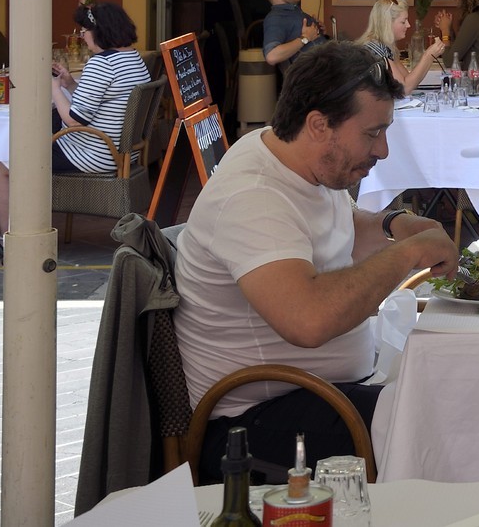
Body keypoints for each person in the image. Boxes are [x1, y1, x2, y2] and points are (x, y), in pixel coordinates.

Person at [174, 42, 458, 482]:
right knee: (452, 428)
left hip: (323, 395)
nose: (382, 150)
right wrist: (408, 253)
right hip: (255, 426)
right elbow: (309, 320)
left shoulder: (299, 161)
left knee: (464, 387)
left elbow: (340, 224)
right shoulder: (254, 196)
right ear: (319, 125)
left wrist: (394, 225)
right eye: (371, 133)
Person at [0, 1, 151, 245]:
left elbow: (73, 120)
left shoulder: (102, 64)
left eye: (84, 32)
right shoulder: (133, 59)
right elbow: (99, 102)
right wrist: (69, 84)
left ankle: (6, 239)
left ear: (99, 31)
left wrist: (53, 88)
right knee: (29, 140)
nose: (82, 38)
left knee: (1, 163)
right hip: (118, 151)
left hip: (90, 154)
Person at [355, 0, 447, 91]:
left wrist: (429, 57)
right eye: (403, 22)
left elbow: (410, 80)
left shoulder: (387, 48)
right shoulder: (376, 48)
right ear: (388, 23)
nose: (408, 25)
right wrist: (428, 55)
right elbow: (403, 89)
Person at [261, 0, 327, 70]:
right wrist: (305, 38)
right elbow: (272, 56)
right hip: (315, 80)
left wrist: (319, 32)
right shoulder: (276, 18)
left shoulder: (294, 11)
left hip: (330, 71)